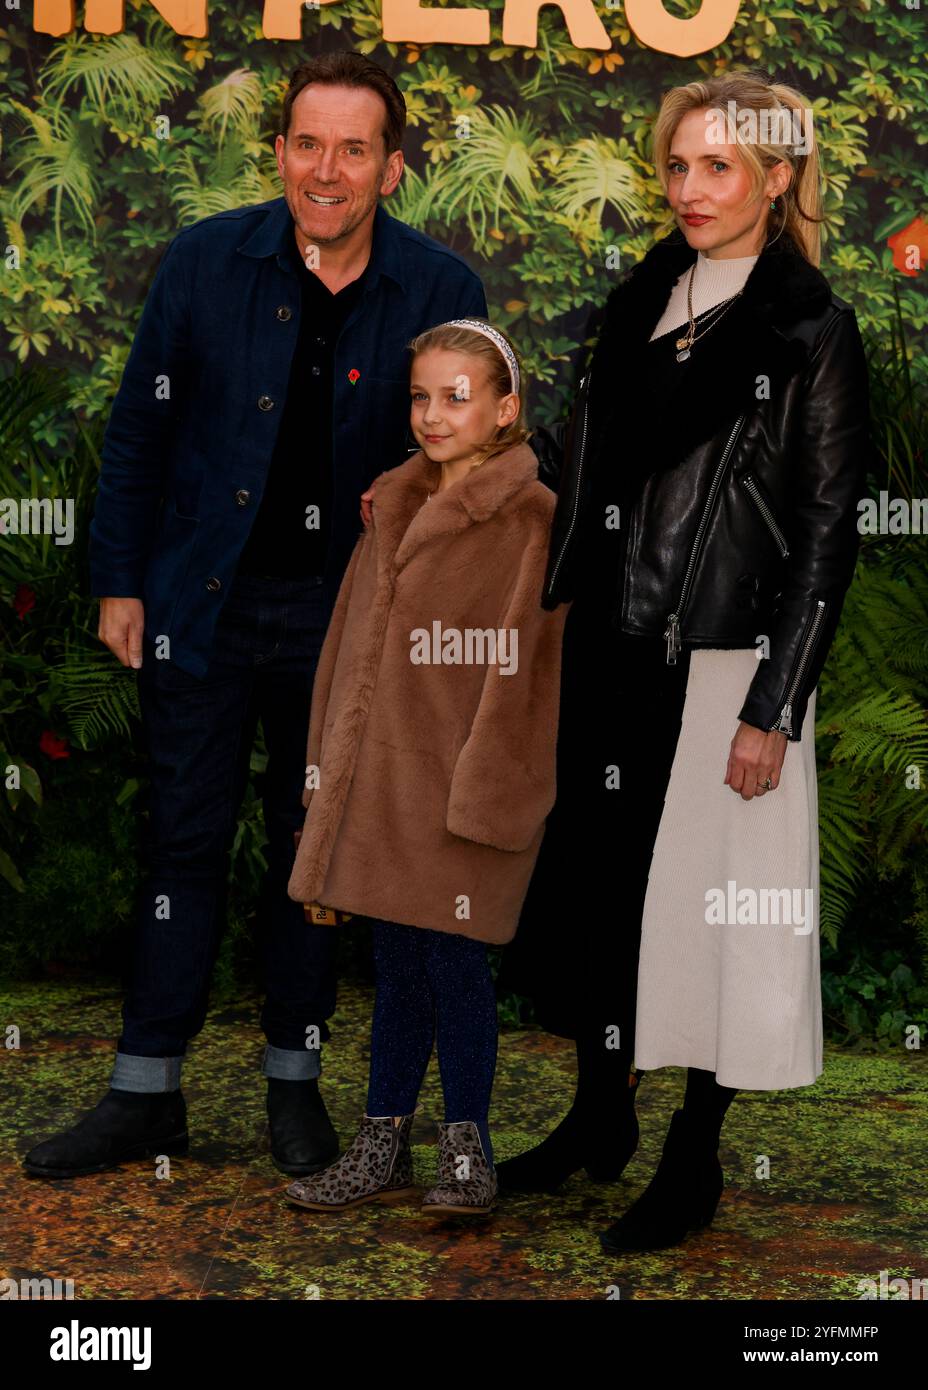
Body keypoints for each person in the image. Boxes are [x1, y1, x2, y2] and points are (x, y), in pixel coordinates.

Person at [22, 51, 487, 1183]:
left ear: (392, 167)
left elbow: (470, 466)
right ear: (278, 151)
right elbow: (138, 432)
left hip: (350, 633)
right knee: (179, 842)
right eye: (307, 144)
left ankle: (295, 1083)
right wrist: (120, 582)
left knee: (310, 857)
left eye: (354, 148)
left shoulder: (437, 290)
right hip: (205, 605)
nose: (325, 169)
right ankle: (145, 1094)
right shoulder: (202, 261)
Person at [496, 69, 871, 1252]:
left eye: (719, 166)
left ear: (776, 177)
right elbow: (593, 468)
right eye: (676, 165)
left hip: (722, 664)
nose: (692, 189)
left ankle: (693, 1155)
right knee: (606, 904)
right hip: (613, 646)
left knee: (710, 919)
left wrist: (775, 705)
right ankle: (597, 1117)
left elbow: (824, 534)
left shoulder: (809, 327)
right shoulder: (637, 297)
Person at [283, 320, 569, 1215]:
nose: (434, 414)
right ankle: (380, 1144)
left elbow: (527, 673)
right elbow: (345, 652)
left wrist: (488, 796)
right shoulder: (391, 506)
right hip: (382, 791)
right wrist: (325, 775)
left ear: (505, 408)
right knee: (397, 965)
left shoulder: (530, 520)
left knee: (454, 968)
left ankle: (466, 1150)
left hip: (461, 792)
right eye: (420, 396)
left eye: (457, 396)